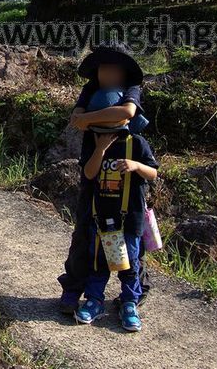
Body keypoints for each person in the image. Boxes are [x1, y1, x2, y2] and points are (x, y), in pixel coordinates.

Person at [58, 44, 154, 314]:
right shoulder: (90, 89)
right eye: (103, 68)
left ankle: (133, 295)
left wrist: (90, 118)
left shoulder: (133, 89)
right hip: (93, 160)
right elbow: (76, 119)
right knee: (85, 232)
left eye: (114, 68)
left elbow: (127, 113)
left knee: (132, 238)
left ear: (124, 72)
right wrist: (93, 121)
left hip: (125, 160)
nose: (108, 73)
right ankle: (75, 289)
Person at [75, 127, 159, 331]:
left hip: (130, 218)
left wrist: (136, 165)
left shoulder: (136, 142)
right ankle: (94, 300)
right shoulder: (95, 140)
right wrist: (101, 148)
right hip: (102, 217)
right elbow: (89, 173)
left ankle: (129, 303)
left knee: (130, 264)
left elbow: (153, 173)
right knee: (99, 263)